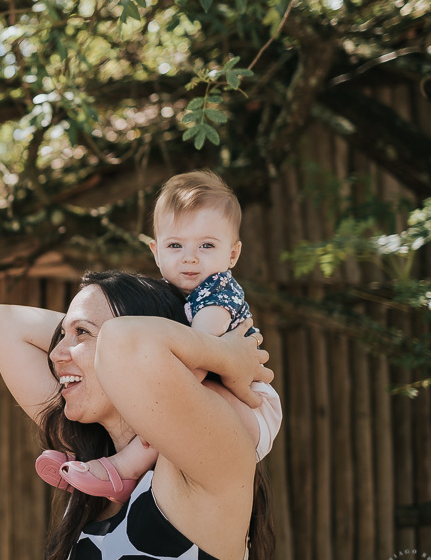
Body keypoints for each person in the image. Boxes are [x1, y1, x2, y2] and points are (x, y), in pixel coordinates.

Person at [0, 271, 274, 560]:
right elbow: (5, 322)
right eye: (61, 335)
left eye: (81, 333)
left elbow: (126, 340)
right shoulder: (98, 457)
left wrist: (216, 354)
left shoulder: (204, 460)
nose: (57, 353)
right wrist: (86, 331)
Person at [36, 171, 282, 502]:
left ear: (233, 254)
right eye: (175, 245)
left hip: (251, 406)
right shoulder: (168, 293)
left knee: (165, 404)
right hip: (219, 395)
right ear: (155, 251)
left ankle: (122, 468)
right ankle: (88, 461)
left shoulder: (216, 293)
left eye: (207, 245)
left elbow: (193, 365)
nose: (189, 257)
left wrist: (148, 411)